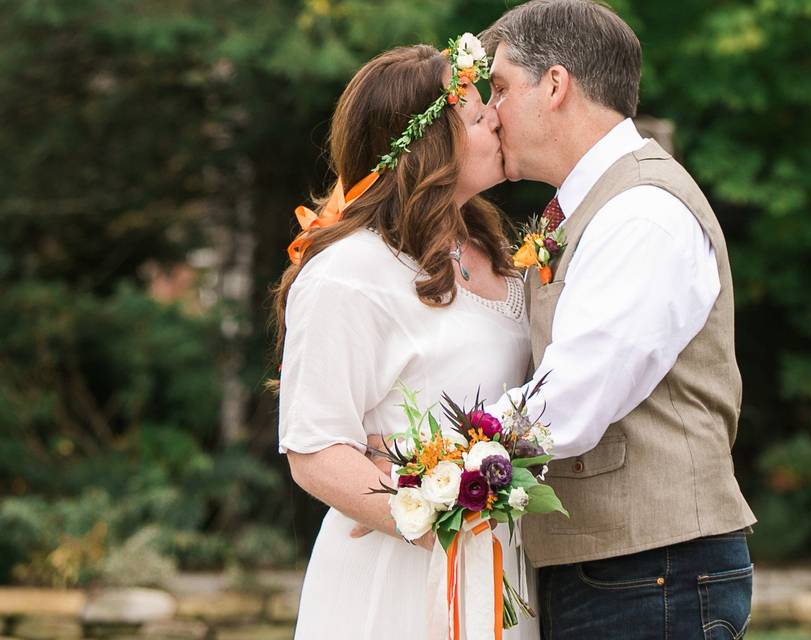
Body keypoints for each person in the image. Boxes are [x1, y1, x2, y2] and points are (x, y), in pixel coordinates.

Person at [481, 1, 758, 638]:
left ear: (554, 85)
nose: (490, 112)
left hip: (649, 571)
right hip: (621, 570)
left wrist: (439, 461)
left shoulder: (641, 214)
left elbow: (569, 405)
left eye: (499, 88)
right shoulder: (589, 206)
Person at [272, 41, 538, 639]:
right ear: (428, 150)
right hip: (399, 578)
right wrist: (436, 503)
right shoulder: (350, 274)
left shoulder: (501, 252)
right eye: (475, 116)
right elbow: (314, 452)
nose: (496, 115)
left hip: (505, 567)